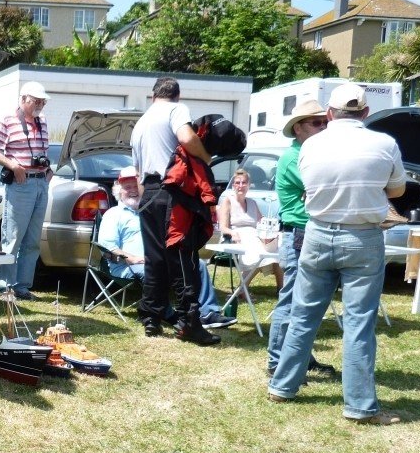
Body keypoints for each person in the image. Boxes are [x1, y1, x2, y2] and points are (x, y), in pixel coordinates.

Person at [267, 83, 407, 425]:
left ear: (329, 114)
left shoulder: (311, 145)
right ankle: (359, 405)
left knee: (303, 315)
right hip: (362, 236)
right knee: (358, 323)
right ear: (365, 113)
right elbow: (398, 189)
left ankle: (282, 385)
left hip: (315, 233)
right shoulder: (384, 143)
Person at [130, 76, 217, 345]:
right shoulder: (176, 110)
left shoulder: (141, 122)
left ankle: (151, 319)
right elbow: (186, 136)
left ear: (152, 95)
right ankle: (188, 323)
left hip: (149, 193)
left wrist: (146, 200)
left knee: (155, 259)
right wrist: (206, 157)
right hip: (173, 193)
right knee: (183, 256)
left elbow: (137, 171)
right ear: (177, 96)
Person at [98, 167, 236, 329]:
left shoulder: (151, 211)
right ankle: (170, 315)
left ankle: (209, 313)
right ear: (119, 191)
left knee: (197, 265)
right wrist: (134, 258)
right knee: (154, 271)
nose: (133, 191)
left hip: (159, 259)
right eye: (128, 187)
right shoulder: (114, 214)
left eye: (136, 186)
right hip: (127, 265)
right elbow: (107, 247)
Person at [266, 99, 336, 377]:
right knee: (292, 300)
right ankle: (276, 363)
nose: (323, 126)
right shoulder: (295, 157)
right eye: (316, 122)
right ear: (298, 128)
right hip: (299, 233)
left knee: (307, 302)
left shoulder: (311, 154)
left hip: (307, 231)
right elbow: (322, 187)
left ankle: (300, 357)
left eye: (325, 122)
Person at [0, 81, 53, 301]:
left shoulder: (42, 121)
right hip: (20, 185)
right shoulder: (7, 119)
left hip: (40, 182)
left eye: (42, 101)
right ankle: (5, 288)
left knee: (32, 240)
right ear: (23, 99)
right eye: (36, 100)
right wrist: (13, 166)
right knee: (13, 237)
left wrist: (48, 169)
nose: (40, 104)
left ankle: (22, 287)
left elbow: (41, 151)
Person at [217, 168, 284, 290]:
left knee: (278, 244)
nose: (241, 186)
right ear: (233, 185)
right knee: (263, 252)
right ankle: (242, 288)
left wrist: (271, 230)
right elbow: (223, 227)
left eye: (244, 183)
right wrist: (232, 233)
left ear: (249, 185)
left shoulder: (252, 202)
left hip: (255, 235)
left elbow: (261, 221)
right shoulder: (228, 201)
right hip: (237, 235)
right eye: (237, 183)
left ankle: (281, 288)